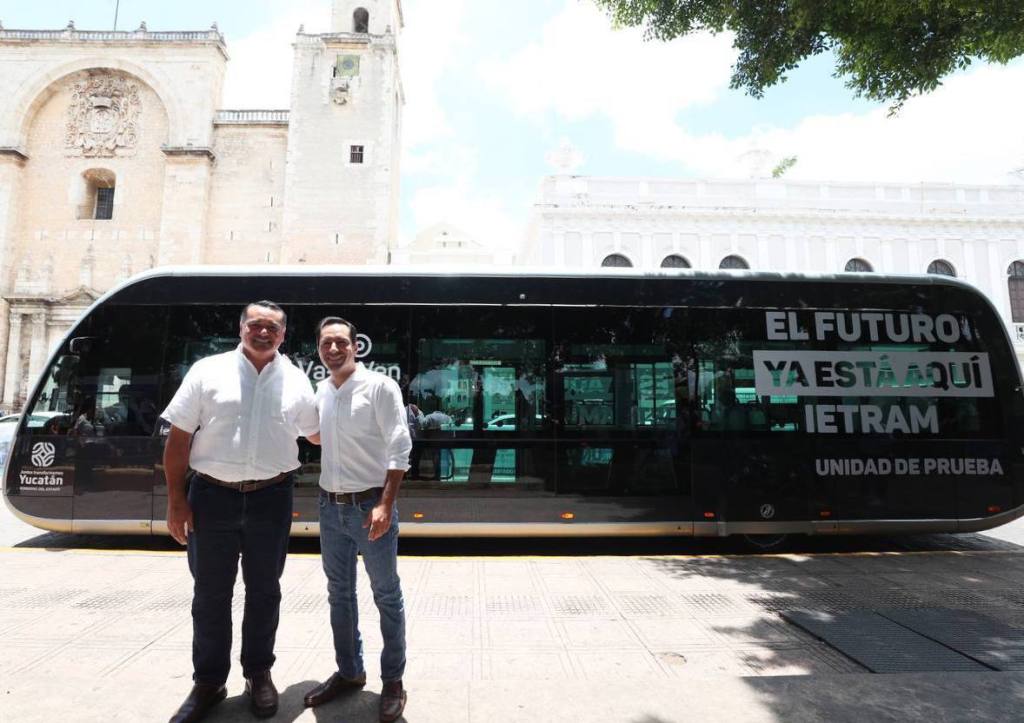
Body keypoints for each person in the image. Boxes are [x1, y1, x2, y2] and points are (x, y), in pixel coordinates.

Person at [162, 301, 319, 723]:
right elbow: (178, 440)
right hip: (210, 498)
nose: (263, 332)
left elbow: (318, 433)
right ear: (241, 327)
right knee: (210, 594)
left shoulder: (297, 380)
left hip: (272, 498)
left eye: (273, 327)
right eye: (256, 324)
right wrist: (176, 500)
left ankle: (258, 673)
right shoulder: (207, 371)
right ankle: (209, 682)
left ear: (283, 334)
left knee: (265, 591)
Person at [303, 316, 412, 722]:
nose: (333, 349)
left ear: (355, 346)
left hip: (370, 508)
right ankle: (350, 671)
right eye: (325, 344)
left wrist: (385, 504)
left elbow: (400, 446)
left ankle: (393, 680)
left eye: (341, 342)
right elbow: (317, 436)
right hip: (329, 507)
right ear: (318, 349)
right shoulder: (322, 390)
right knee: (340, 594)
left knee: (386, 594)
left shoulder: (380, 387)